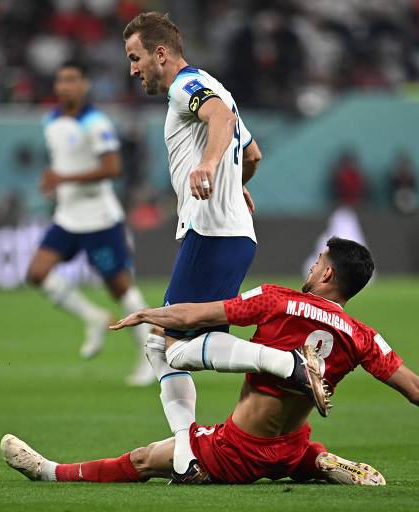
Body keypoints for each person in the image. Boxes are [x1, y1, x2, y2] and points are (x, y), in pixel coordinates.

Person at [0, 237, 419, 485]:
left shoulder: (278, 298)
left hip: (243, 450)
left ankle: (50, 473)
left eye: (319, 260)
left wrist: (153, 314)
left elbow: (203, 311)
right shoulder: (364, 336)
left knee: (146, 460)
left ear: (327, 275)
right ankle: (315, 462)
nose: (313, 263)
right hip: (291, 442)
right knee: (289, 443)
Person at [122, 11, 268, 481]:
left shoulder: (186, 87)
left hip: (211, 232)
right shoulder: (213, 82)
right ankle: (188, 457)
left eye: (136, 57)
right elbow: (252, 154)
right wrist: (235, 182)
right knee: (164, 344)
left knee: (167, 346)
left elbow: (219, 119)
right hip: (229, 232)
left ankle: (286, 364)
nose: (132, 69)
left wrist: (207, 167)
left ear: (160, 53)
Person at [27, 61, 154, 386]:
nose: (65, 86)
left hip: (99, 220)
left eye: (72, 80)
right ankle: (94, 318)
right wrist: (56, 180)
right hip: (68, 218)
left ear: (84, 85)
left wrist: (63, 178)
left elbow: (113, 168)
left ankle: (150, 356)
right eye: (61, 80)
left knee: (120, 288)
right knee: (37, 273)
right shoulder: (51, 120)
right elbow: (63, 162)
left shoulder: (96, 123)